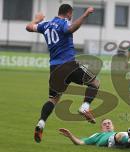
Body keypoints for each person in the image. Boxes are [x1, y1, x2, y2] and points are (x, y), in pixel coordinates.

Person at [26, 4, 99, 143]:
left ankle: (41, 122)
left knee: (53, 99)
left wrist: (37, 20)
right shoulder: (64, 22)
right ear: (69, 13)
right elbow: (71, 28)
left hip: (54, 68)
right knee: (95, 83)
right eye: (71, 15)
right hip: (69, 65)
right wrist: (85, 14)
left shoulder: (45, 24)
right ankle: (84, 107)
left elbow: (28, 27)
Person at [59, 119, 130, 152]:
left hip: (125, 140)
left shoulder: (117, 132)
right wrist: (70, 135)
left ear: (113, 126)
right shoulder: (98, 135)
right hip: (112, 141)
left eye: (109, 123)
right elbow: (81, 142)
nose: (107, 125)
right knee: (122, 135)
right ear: (101, 128)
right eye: (104, 124)